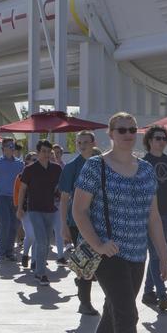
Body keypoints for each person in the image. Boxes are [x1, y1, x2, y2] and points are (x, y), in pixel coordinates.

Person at [72, 112, 167, 333]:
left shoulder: (146, 170)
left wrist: (163, 257)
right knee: (128, 314)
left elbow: (153, 217)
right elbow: (79, 211)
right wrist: (99, 244)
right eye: (122, 129)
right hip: (108, 254)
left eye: (132, 129)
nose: (128, 134)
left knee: (115, 310)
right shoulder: (95, 166)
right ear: (111, 134)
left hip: (137, 253)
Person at [139, 125, 167, 311]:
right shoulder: (142, 162)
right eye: (158, 138)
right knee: (157, 253)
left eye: (164, 138)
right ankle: (162, 293)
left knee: (157, 254)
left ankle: (148, 292)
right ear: (149, 140)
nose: (161, 141)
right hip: (148, 216)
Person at [59, 130, 101, 316]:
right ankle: (85, 302)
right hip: (78, 222)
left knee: (102, 265)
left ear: (93, 143)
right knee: (85, 263)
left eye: (85, 142)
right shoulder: (71, 167)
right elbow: (64, 198)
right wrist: (63, 225)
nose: (82, 145)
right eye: (79, 142)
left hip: (101, 221)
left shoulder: (102, 163)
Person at [16, 140, 62, 284]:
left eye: (49, 152)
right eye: (43, 151)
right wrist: (19, 208)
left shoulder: (56, 169)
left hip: (51, 209)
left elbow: (61, 187)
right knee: (41, 240)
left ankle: (38, 268)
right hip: (34, 209)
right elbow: (23, 189)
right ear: (38, 152)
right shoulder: (29, 169)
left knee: (46, 242)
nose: (46, 154)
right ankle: (41, 273)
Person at [0, 138, 24, 262]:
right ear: (3, 149)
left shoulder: (20, 164)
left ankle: (10, 251)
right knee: (5, 223)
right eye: (9, 146)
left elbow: (23, 183)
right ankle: (2, 252)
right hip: (2, 197)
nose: (12, 148)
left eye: (13, 146)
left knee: (14, 225)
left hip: (16, 198)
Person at [15, 151, 35, 267]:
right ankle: (25, 254)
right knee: (31, 234)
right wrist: (19, 208)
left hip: (39, 210)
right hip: (25, 210)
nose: (35, 162)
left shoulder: (41, 175)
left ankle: (34, 260)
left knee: (37, 236)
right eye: (33, 160)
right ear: (27, 161)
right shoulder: (20, 177)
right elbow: (17, 193)